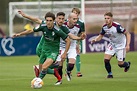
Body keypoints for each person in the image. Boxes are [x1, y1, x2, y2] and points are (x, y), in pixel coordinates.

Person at [17, 10, 84, 85]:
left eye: (62, 19)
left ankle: (38, 81)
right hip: (42, 48)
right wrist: (24, 16)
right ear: (56, 19)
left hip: (54, 50)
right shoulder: (45, 25)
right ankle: (51, 72)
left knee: (46, 66)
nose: (61, 20)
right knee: (43, 68)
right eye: (59, 18)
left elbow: (69, 37)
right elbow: (35, 20)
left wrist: (79, 39)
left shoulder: (61, 29)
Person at [91, 12, 131, 78]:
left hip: (121, 46)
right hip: (112, 44)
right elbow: (100, 35)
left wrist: (128, 45)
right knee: (106, 60)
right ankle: (110, 74)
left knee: (120, 64)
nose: (106, 20)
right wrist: (95, 39)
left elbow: (128, 34)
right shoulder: (104, 27)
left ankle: (127, 65)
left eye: (108, 18)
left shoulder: (117, 27)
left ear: (112, 19)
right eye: (105, 18)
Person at [57, 13, 86, 81]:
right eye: (74, 19)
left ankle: (68, 71)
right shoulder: (63, 26)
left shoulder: (78, 27)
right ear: (69, 19)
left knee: (71, 64)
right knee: (59, 64)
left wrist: (78, 44)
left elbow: (79, 35)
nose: (76, 20)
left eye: (76, 19)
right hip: (62, 46)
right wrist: (79, 38)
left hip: (72, 47)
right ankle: (59, 80)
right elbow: (71, 36)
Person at [71, 7, 86, 77]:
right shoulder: (68, 21)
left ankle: (78, 71)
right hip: (68, 40)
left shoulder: (81, 23)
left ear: (78, 14)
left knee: (77, 54)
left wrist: (78, 42)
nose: (75, 14)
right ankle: (69, 71)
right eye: (73, 12)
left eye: (76, 13)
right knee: (68, 55)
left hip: (77, 40)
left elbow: (82, 33)